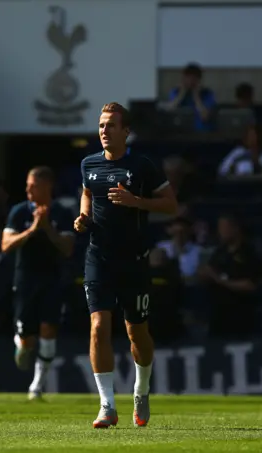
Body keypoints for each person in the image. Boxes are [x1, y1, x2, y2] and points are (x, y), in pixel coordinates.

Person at [75, 102, 178, 428]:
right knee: (98, 327)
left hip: (133, 261)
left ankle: (141, 389)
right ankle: (107, 406)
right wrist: (83, 217)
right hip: (98, 258)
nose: (104, 130)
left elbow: (171, 205)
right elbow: (88, 194)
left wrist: (137, 202)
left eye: (110, 125)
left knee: (137, 333)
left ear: (125, 131)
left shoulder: (141, 165)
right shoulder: (89, 163)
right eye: (101, 125)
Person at [1, 166, 75, 400]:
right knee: (27, 339)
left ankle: (37, 385)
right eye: (27, 185)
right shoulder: (19, 212)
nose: (28, 190)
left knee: (49, 329)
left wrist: (47, 228)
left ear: (47, 187)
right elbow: (6, 245)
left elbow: (68, 248)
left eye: (33, 185)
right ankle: (21, 345)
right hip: (25, 279)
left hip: (52, 278)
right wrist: (33, 229)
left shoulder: (62, 213)